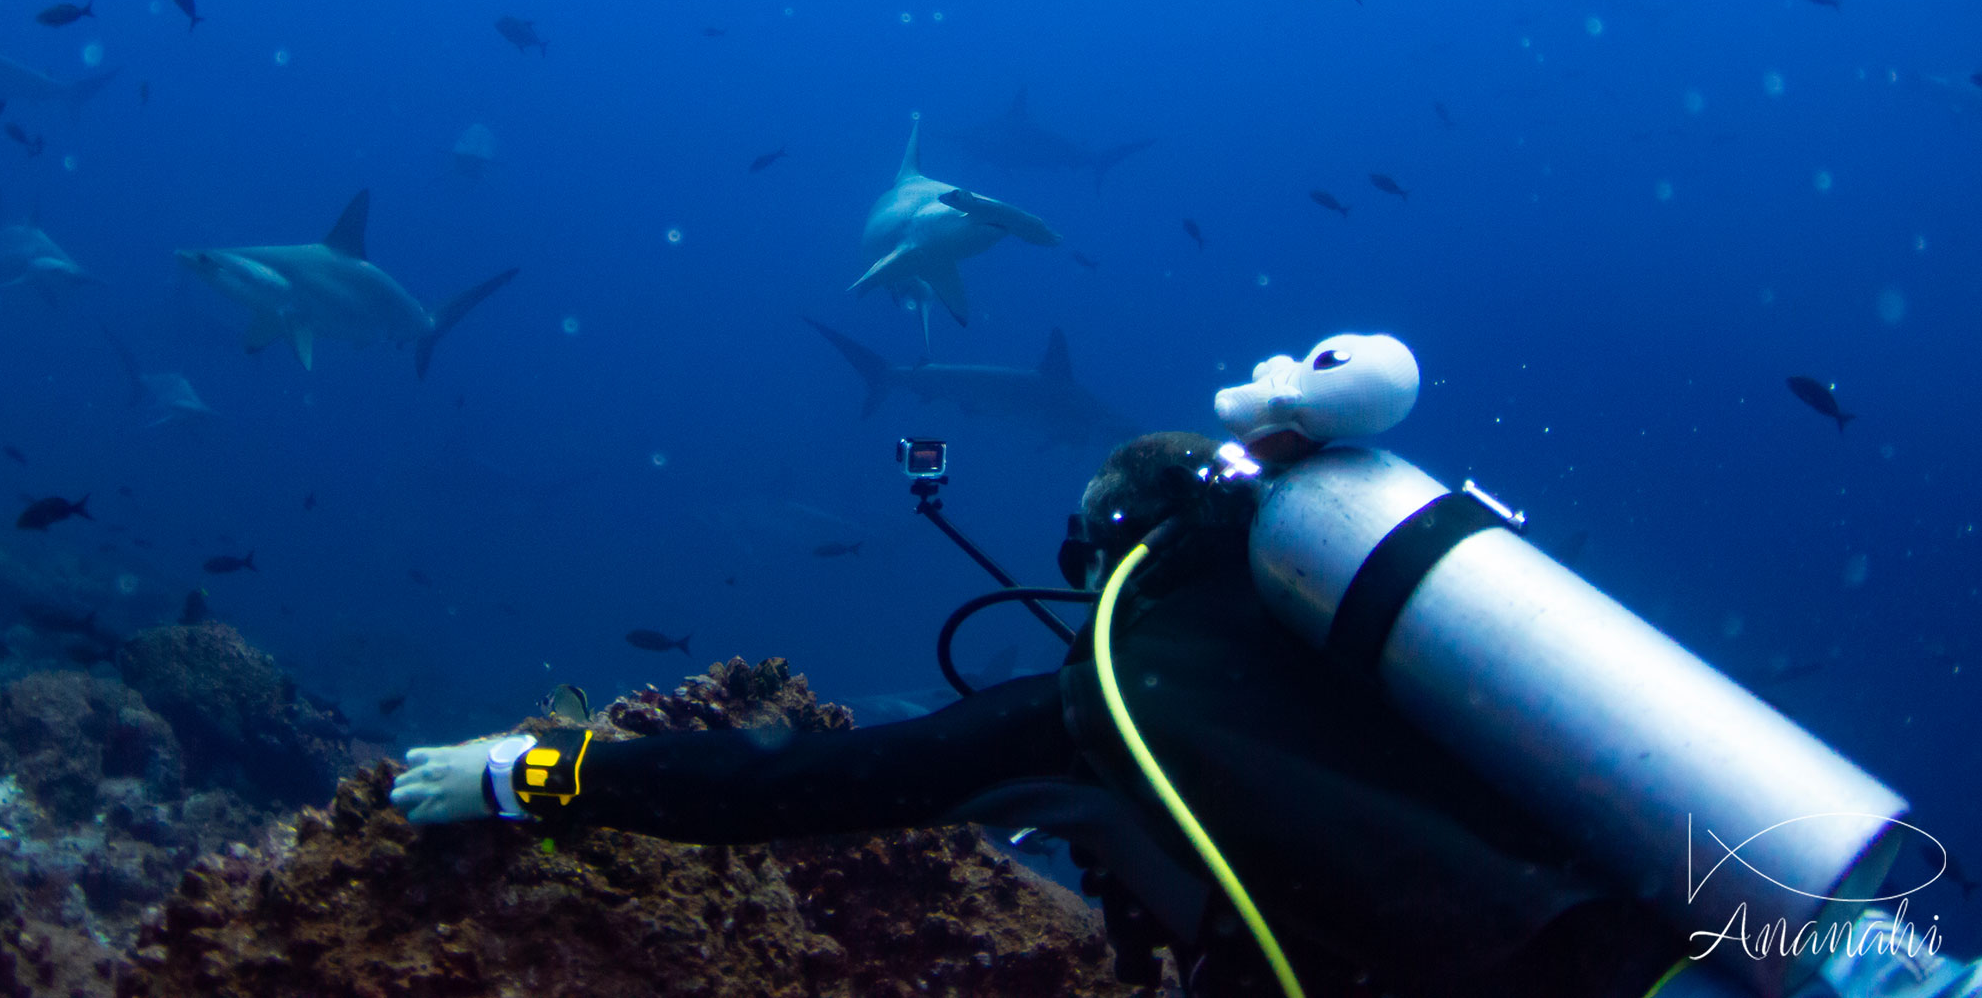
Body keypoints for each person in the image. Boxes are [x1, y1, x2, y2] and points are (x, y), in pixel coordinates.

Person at [393, 335, 1977, 998]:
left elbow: (804, 785)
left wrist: (541, 773)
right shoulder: (1386, 640)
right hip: (1668, 938)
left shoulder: (1115, 695)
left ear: (1110, 551)